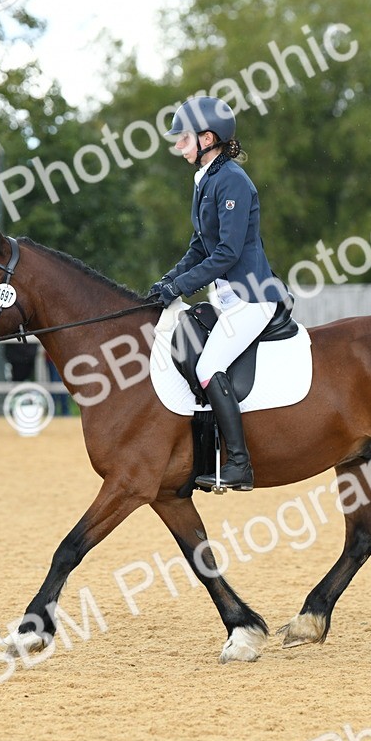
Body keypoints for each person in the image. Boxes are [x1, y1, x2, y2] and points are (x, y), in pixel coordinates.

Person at [146, 96, 286, 491]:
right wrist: (167, 282)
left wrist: (181, 287)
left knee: (208, 367)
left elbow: (227, 252)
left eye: (184, 138)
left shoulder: (233, 181)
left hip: (253, 297)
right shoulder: (206, 179)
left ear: (207, 138)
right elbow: (198, 247)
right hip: (226, 299)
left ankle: (239, 464)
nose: (178, 145)